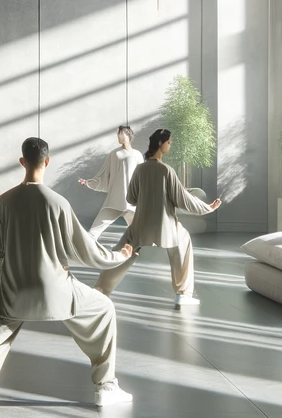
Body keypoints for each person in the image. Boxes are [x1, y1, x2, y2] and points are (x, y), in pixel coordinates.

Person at [0, 136, 136, 418]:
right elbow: (88, 251)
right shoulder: (58, 203)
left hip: (13, 293)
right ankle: (106, 388)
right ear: (47, 162)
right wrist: (119, 255)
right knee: (104, 309)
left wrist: (10, 252)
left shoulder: (5, 201)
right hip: (59, 293)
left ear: (22, 162)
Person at [95, 128, 222, 307]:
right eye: (169, 142)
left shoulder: (140, 169)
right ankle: (183, 293)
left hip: (141, 224)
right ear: (161, 144)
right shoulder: (167, 171)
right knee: (182, 242)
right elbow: (183, 199)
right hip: (165, 225)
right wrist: (207, 208)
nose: (170, 145)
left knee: (123, 250)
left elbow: (131, 198)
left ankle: (100, 290)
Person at [79, 125, 144, 241]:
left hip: (132, 202)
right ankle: (84, 253)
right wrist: (89, 183)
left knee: (141, 233)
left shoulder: (137, 155)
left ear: (127, 134)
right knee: (93, 232)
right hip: (115, 200)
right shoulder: (114, 154)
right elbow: (104, 174)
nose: (118, 136)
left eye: (119, 133)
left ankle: (134, 254)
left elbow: (143, 178)